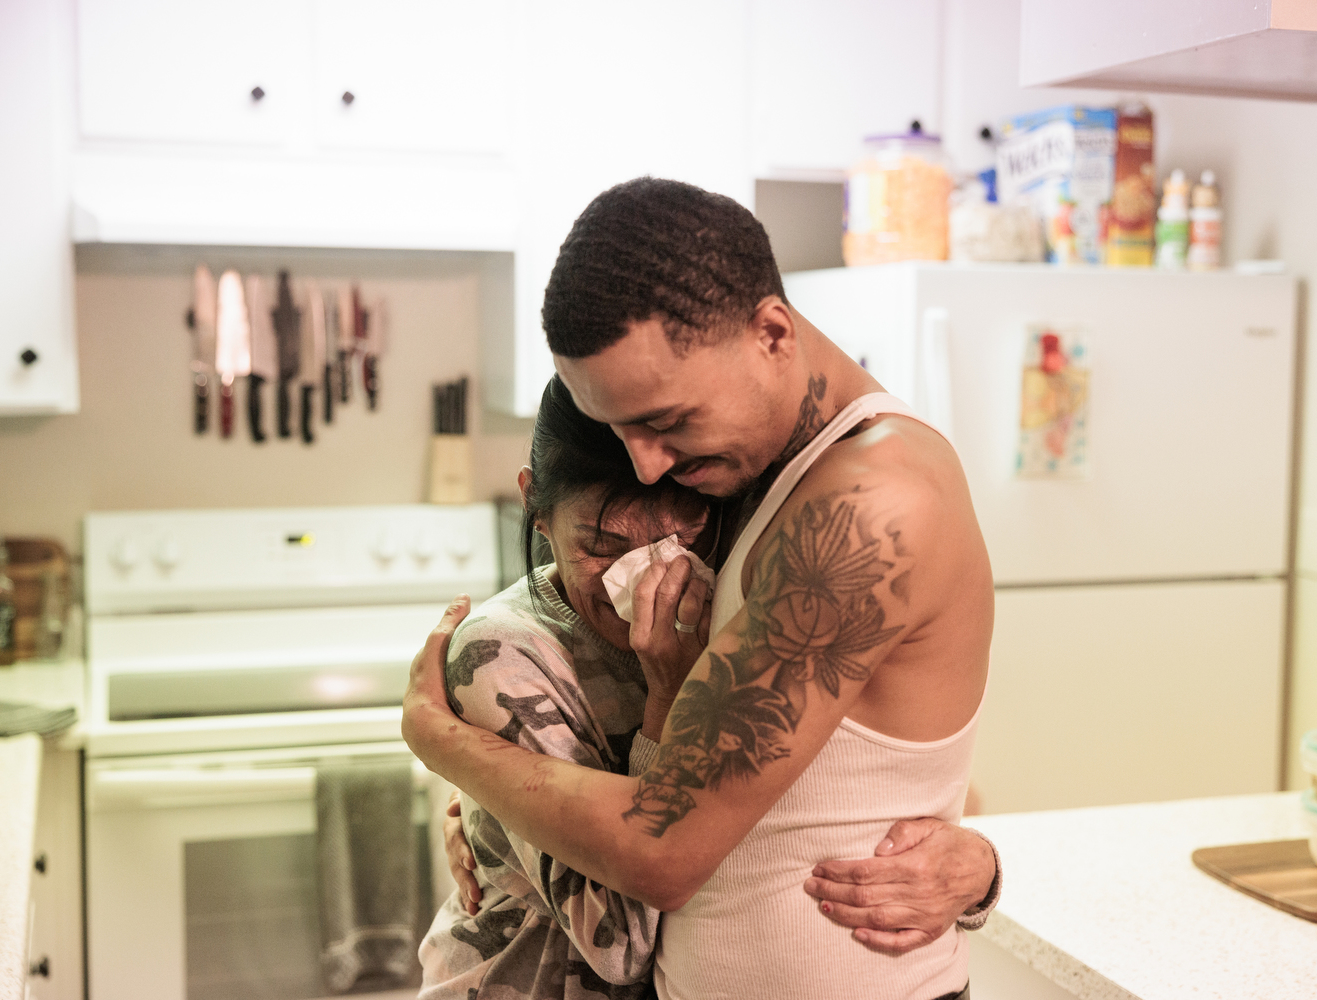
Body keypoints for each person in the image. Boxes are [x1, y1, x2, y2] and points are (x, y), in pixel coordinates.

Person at [406, 177, 998, 999]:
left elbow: (662, 851)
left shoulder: (866, 507)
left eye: (666, 421)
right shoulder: (762, 471)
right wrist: (498, 819)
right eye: (618, 430)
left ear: (771, 334)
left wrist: (447, 744)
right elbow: (854, 764)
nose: (646, 464)